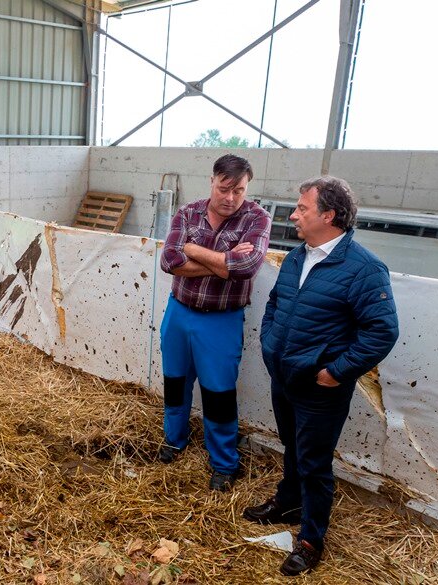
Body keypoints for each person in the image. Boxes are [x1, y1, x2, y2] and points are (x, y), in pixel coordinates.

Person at [243, 176, 399, 576]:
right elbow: (276, 304)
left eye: (302, 208)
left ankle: (311, 539)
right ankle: (288, 501)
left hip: (320, 387)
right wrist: (269, 343)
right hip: (285, 376)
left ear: (329, 215)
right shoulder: (298, 256)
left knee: (314, 463)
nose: (294, 215)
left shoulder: (364, 268)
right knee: (292, 448)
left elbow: (382, 331)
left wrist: (338, 372)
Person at [157, 154, 271, 492]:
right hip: (179, 312)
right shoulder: (188, 213)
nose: (231, 198)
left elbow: (247, 267)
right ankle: (174, 440)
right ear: (212, 181)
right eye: (224, 189)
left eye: (239, 190)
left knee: (219, 393)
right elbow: (170, 260)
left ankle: (223, 463)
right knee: (175, 382)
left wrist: (196, 250)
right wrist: (224, 263)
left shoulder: (257, 218)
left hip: (222, 319)